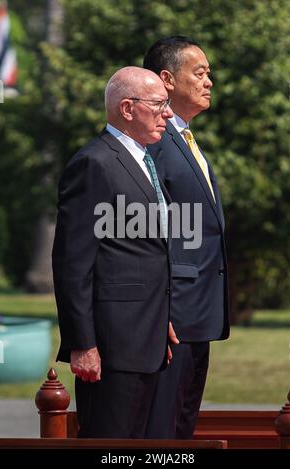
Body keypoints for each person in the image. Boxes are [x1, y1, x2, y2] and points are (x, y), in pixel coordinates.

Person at [52, 66, 179, 438]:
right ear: (127, 108)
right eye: (159, 104)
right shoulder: (95, 163)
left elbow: (140, 253)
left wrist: (158, 319)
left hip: (146, 341)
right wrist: (83, 344)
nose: (168, 114)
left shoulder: (143, 159)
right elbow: (72, 263)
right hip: (110, 350)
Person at [143, 36, 230, 439]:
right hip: (172, 319)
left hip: (199, 316)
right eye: (199, 72)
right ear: (167, 79)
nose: (209, 80)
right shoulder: (154, 144)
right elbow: (144, 235)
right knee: (162, 432)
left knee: (182, 430)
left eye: (209, 73)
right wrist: (155, 313)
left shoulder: (187, 140)